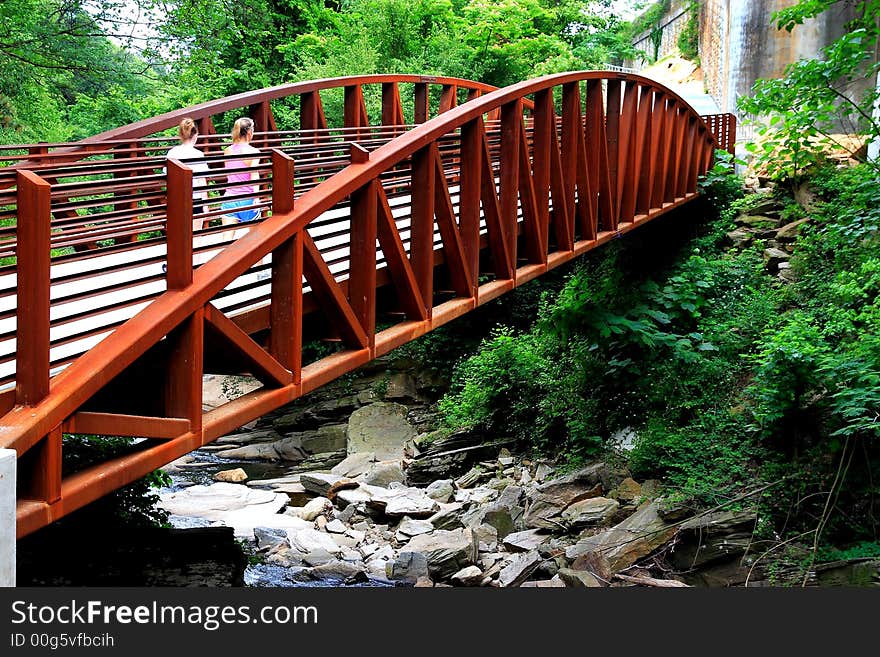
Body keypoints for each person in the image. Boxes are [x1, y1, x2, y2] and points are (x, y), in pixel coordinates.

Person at [165, 117, 210, 232]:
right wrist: (205, 204)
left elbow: (168, 178)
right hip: (195, 199)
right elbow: (201, 181)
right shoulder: (198, 154)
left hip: (177, 200)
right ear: (195, 135)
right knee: (196, 235)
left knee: (178, 235)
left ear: (181, 134)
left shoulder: (172, 153)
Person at [220, 117, 261, 226]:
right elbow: (254, 175)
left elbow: (229, 173)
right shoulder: (254, 152)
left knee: (227, 239)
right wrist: (256, 198)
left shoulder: (227, 151)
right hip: (247, 200)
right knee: (255, 239)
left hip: (229, 199)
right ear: (249, 132)